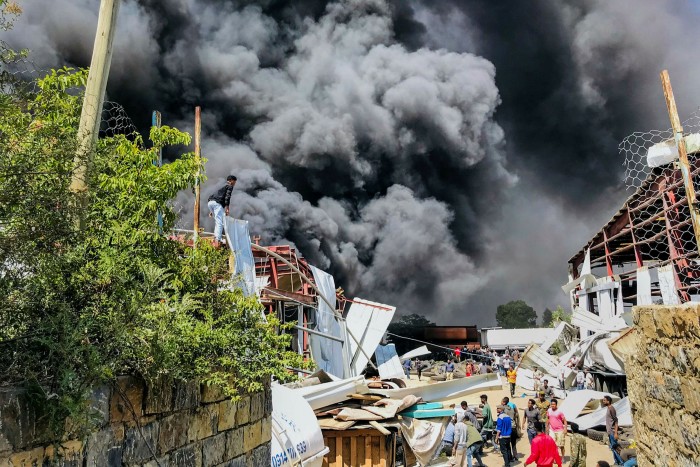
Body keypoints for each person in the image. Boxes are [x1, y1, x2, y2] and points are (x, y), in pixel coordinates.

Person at [207, 175, 237, 246]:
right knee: (220, 222)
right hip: (217, 204)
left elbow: (214, 196)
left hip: (210, 202)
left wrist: (211, 211)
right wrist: (227, 208)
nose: (235, 183)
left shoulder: (222, 186)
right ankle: (218, 239)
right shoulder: (229, 186)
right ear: (231, 181)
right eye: (234, 181)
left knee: (217, 221)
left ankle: (216, 237)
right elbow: (227, 197)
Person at [602, 395, 624, 465]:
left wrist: (615, 433)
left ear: (608, 401)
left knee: (615, 448)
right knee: (613, 448)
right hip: (609, 432)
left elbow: (616, 421)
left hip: (612, 432)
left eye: (605, 400)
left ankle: (621, 463)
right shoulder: (608, 408)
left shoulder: (611, 409)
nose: (603, 401)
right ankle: (616, 462)